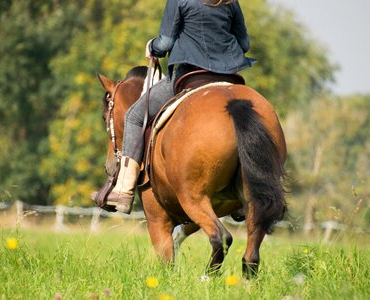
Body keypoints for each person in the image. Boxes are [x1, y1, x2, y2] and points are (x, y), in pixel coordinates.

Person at [93, 0, 256, 214]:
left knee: (133, 116)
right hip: (229, 77)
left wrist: (151, 46)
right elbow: (244, 44)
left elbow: (165, 43)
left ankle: (124, 190)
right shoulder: (230, 1)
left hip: (190, 75)